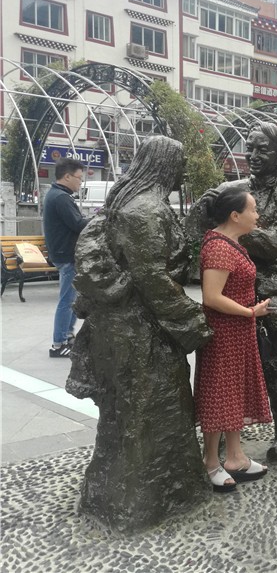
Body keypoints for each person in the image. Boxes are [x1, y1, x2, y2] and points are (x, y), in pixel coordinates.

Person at [66, 136, 212, 532]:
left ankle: (113, 496)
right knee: (148, 414)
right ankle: (142, 504)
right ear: (164, 166)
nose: (183, 171)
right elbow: (153, 279)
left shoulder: (123, 205)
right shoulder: (146, 209)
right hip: (141, 332)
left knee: (123, 415)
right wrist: (194, 322)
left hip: (119, 329)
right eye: (179, 163)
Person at [195, 188, 274, 492]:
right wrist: (250, 311)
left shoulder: (231, 243)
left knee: (234, 393)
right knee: (219, 394)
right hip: (224, 333)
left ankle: (235, 456)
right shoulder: (219, 247)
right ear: (235, 215)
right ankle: (211, 461)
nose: (257, 215)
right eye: (253, 210)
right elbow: (211, 297)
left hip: (238, 330)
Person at [42, 157, 90, 357]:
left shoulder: (57, 195)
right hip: (66, 255)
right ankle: (58, 344)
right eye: (79, 178)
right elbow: (78, 224)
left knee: (72, 299)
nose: (80, 182)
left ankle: (68, 336)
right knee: (67, 301)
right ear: (67, 177)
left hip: (64, 253)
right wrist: (100, 219)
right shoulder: (61, 198)